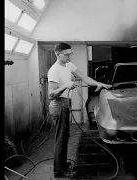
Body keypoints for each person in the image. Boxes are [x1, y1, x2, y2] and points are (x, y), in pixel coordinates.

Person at [47, 42, 112, 178]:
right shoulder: (54, 70)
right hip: (58, 104)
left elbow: (85, 78)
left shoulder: (69, 65)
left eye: (70, 53)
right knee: (60, 138)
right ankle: (59, 172)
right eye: (66, 54)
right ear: (57, 54)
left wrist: (99, 84)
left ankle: (63, 165)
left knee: (65, 137)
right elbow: (51, 95)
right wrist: (65, 85)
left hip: (66, 103)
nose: (69, 56)